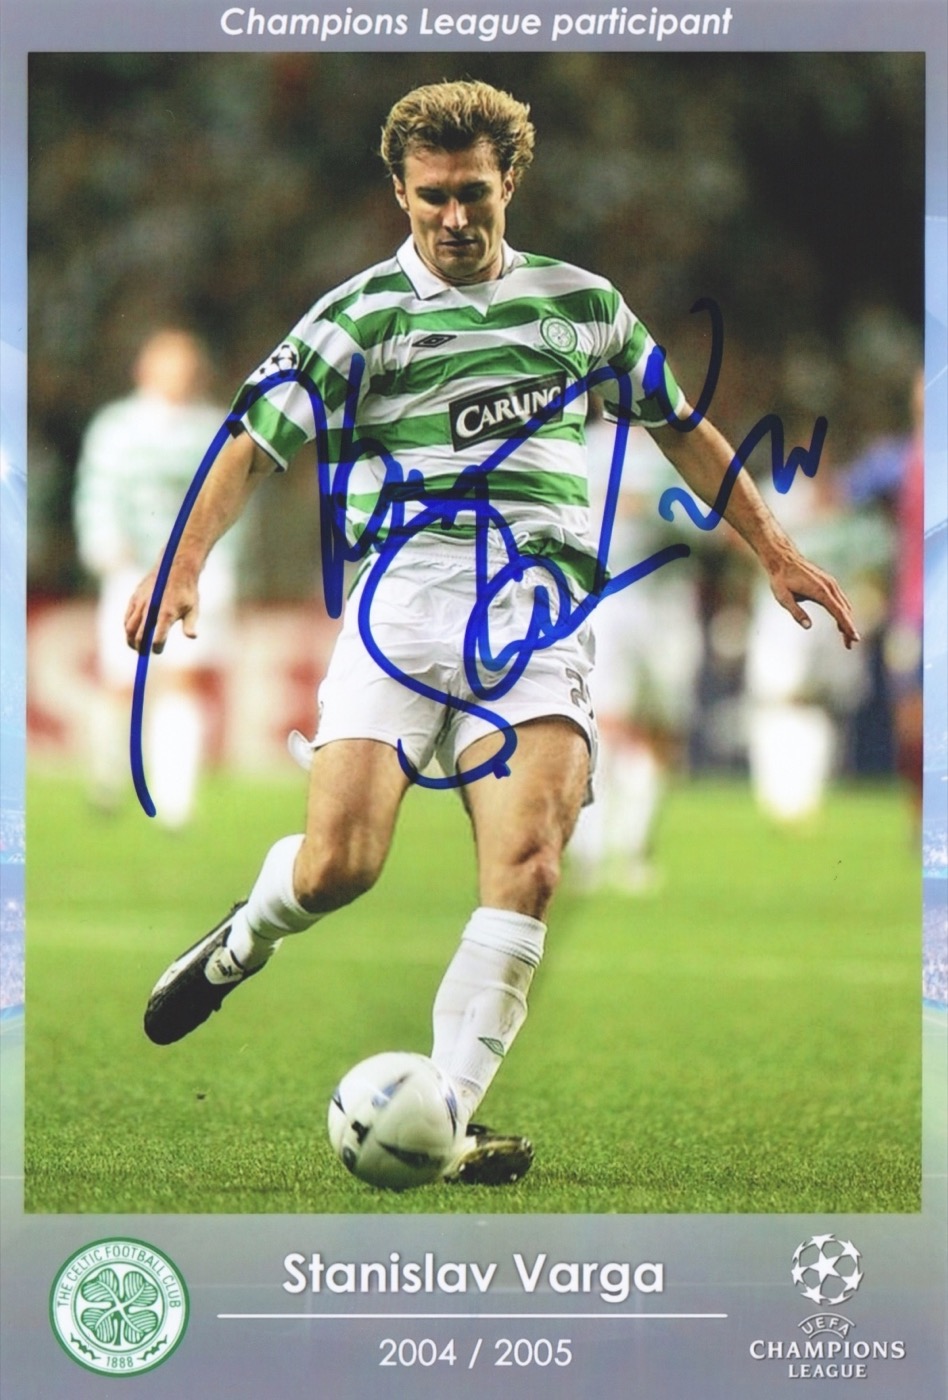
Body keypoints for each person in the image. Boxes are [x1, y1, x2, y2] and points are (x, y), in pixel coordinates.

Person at [126, 80, 858, 1185]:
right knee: (340, 865)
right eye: (432, 197)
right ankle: (244, 938)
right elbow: (251, 443)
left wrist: (774, 546)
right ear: (400, 192)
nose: (455, 217)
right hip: (401, 607)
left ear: (510, 179)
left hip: (538, 615)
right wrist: (182, 562)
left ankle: (441, 1115)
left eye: (473, 192)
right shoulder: (359, 315)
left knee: (530, 865)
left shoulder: (583, 305)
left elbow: (683, 425)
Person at [75, 329, 243, 828]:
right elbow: (97, 491)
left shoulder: (213, 429)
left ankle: (174, 801)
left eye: (185, 367)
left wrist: (223, 563)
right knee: (121, 680)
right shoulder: (116, 427)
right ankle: (108, 779)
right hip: (131, 570)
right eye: (168, 366)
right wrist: (104, 546)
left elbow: (232, 501)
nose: (177, 376)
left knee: (182, 679)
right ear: (144, 370)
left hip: (192, 572)